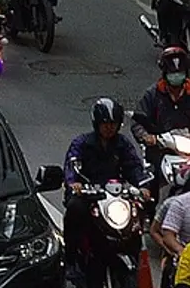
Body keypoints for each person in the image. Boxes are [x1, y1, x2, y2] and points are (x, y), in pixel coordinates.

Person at [64, 98, 151, 284]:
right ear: (97, 123)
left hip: (115, 196)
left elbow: (134, 167)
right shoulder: (82, 143)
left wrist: (143, 186)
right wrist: (75, 184)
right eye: (105, 124)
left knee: (139, 210)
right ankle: (70, 259)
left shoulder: (123, 144)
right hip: (90, 196)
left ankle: (135, 252)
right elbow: (72, 166)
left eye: (113, 124)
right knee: (74, 208)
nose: (109, 128)